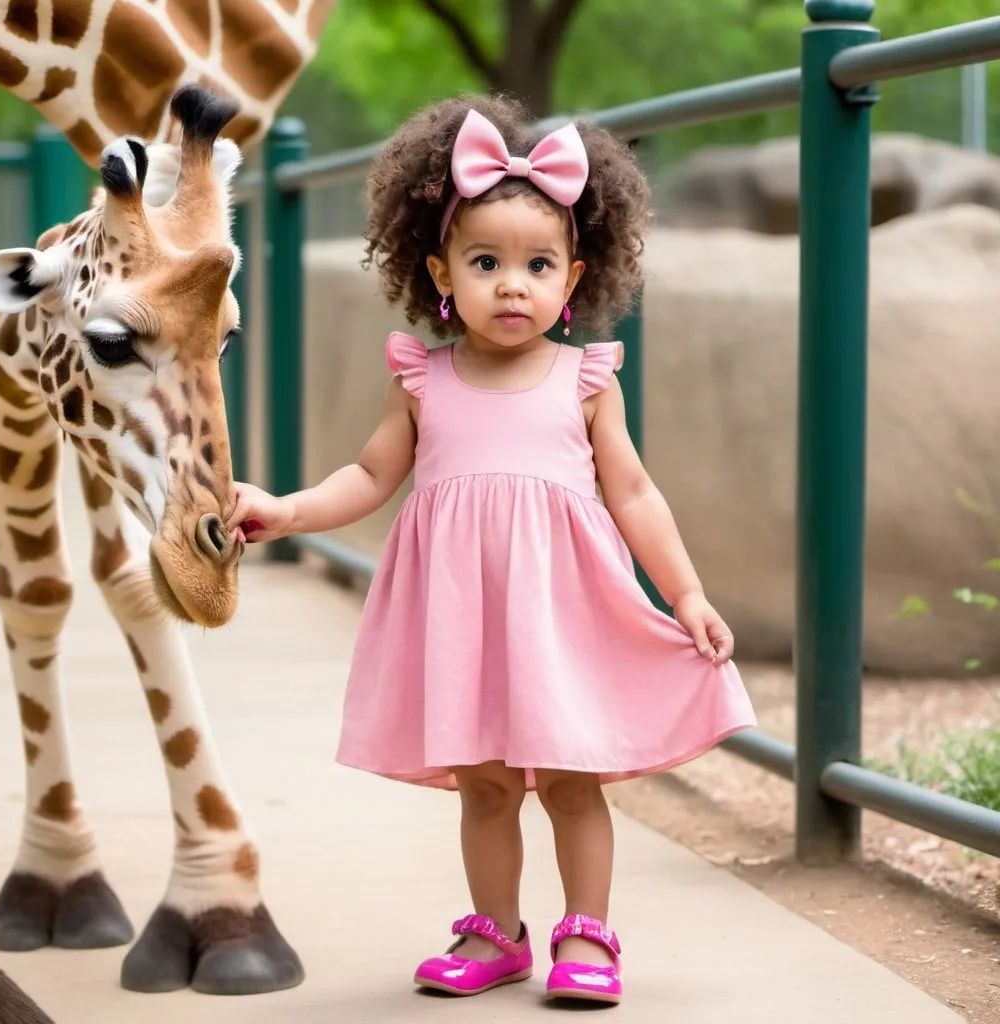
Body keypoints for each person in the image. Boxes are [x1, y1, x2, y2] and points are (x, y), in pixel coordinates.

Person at [228, 93, 756, 1006]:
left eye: (537, 264)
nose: (512, 283)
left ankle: (587, 936)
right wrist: (286, 509)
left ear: (573, 276)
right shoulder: (422, 380)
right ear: (440, 271)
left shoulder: (585, 380)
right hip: (466, 617)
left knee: (571, 777)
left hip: (563, 613)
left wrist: (689, 595)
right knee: (484, 785)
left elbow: (633, 493)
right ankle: (497, 934)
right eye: (486, 261)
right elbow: (367, 476)